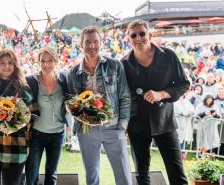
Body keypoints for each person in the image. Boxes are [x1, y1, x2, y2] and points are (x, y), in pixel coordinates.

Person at [121, 19, 189, 185]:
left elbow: (184, 84)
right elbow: (122, 96)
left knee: (177, 174)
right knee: (141, 174)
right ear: (128, 39)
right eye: (133, 35)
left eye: (142, 33)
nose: (138, 38)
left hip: (165, 122)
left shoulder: (168, 56)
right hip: (137, 125)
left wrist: (162, 94)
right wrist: (123, 124)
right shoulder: (124, 64)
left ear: (149, 35)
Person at [67, 26, 132, 185]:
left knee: (124, 176)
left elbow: (124, 96)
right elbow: (70, 103)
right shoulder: (73, 73)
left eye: (95, 41)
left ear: (101, 43)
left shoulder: (114, 65)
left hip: (113, 127)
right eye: (87, 42)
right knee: (91, 177)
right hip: (87, 130)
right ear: (81, 45)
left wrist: (122, 126)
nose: (92, 46)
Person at [0, 49, 33, 185]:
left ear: (15, 65)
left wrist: (19, 121)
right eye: (2, 63)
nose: (6, 66)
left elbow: (34, 113)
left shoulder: (22, 88)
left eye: (10, 63)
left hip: (13, 145)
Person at [25, 47, 69, 185]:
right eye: (43, 61)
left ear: (56, 61)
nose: (46, 64)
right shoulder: (31, 81)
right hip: (37, 134)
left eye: (50, 61)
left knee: (52, 175)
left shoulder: (64, 79)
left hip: (58, 133)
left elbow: (71, 101)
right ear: (38, 62)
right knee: (31, 175)